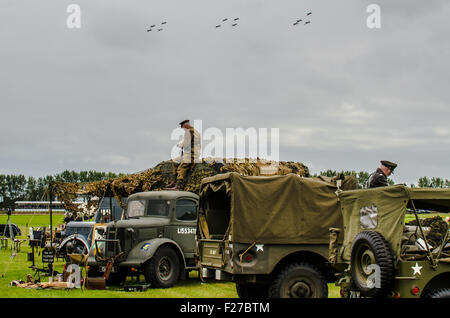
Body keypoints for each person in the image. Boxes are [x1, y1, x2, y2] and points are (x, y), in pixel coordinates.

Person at [167, 120, 201, 190]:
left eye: (182, 127)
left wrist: (180, 145)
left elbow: (186, 144)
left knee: (182, 167)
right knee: (175, 161)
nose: (182, 129)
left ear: (185, 126)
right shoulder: (194, 131)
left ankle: (178, 185)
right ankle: (174, 181)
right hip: (190, 153)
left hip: (191, 154)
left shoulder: (189, 132)